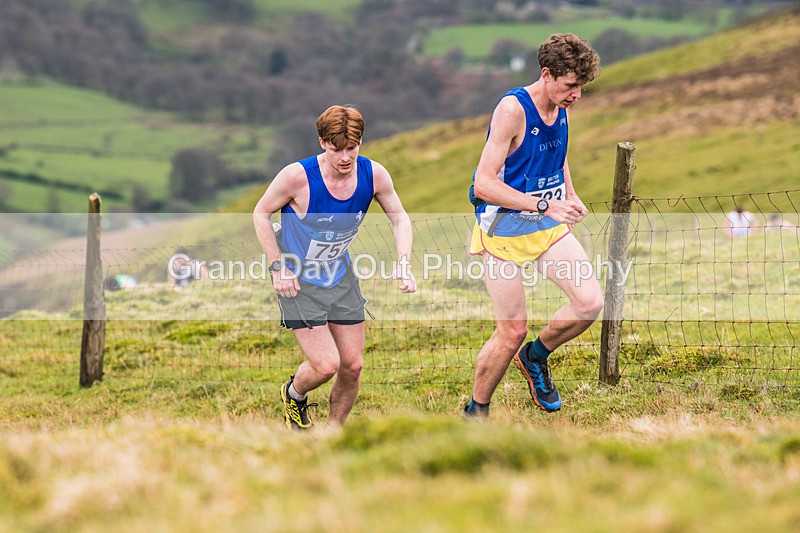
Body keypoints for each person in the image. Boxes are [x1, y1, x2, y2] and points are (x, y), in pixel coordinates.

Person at [253, 104, 416, 430]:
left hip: (340, 277)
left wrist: (404, 263)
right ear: (322, 142)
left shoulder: (374, 175)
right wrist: (277, 268)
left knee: (352, 366)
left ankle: (332, 433)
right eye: (336, 148)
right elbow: (260, 213)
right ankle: (294, 393)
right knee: (327, 365)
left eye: (351, 148)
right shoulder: (297, 177)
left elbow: (400, 218)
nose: (344, 157)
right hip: (299, 282)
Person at [465, 34, 603, 419]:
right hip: (504, 231)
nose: (576, 94)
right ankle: (476, 411)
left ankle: (536, 358)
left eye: (581, 87)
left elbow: (559, 157)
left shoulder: (562, 106)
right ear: (547, 74)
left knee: (590, 304)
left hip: (545, 226)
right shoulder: (512, 109)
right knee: (511, 332)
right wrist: (545, 204)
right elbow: (484, 183)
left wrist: (569, 196)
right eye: (570, 85)